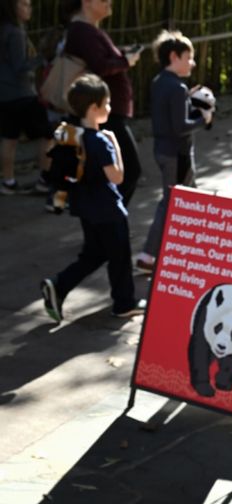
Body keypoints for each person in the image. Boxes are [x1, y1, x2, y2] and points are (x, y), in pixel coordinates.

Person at [40, 73, 144, 322]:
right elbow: (117, 177)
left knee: (94, 254)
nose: (109, 108)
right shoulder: (100, 141)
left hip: (85, 207)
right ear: (93, 108)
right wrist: (115, 145)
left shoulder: (71, 137)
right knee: (119, 257)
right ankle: (124, 303)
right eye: (106, 104)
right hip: (109, 209)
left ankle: (59, 284)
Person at [134, 29, 210, 274]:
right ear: (174, 57)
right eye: (188, 57)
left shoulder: (160, 82)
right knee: (173, 203)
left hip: (164, 151)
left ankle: (180, 250)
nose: (192, 63)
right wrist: (205, 117)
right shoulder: (177, 88)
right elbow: (181, 127)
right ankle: (149, 256)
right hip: (177, 154)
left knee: (185, 200)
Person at [61, 0, 142, 206]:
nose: (109, 3)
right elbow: (100, 66)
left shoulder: (86, 29)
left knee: (106, 174)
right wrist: (126, 61)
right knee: (128, 170)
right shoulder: (82, 30)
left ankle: (107, 222)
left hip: (105, 111)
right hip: (101, 113)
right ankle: (110, 219)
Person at [0, 0, 51, 195]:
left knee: (9, 137)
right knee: (47, 134)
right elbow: (20, 67)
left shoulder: (3, 29)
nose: (29, 8)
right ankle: (45, 179)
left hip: (4, 94)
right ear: (12, 7)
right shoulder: (15, 32)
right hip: (21, 93)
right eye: (24, 4)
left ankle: (8, 181)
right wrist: (41, 58)